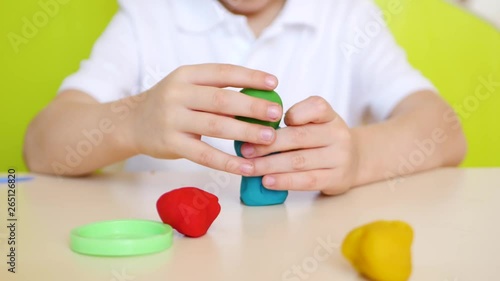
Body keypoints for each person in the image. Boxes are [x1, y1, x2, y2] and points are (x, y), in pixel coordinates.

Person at [23, 0, 467, 195]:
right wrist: (131, 118)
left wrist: (356, 159)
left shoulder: (346, 14)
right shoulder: (149, 13)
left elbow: (444, 131)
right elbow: (40, 146)